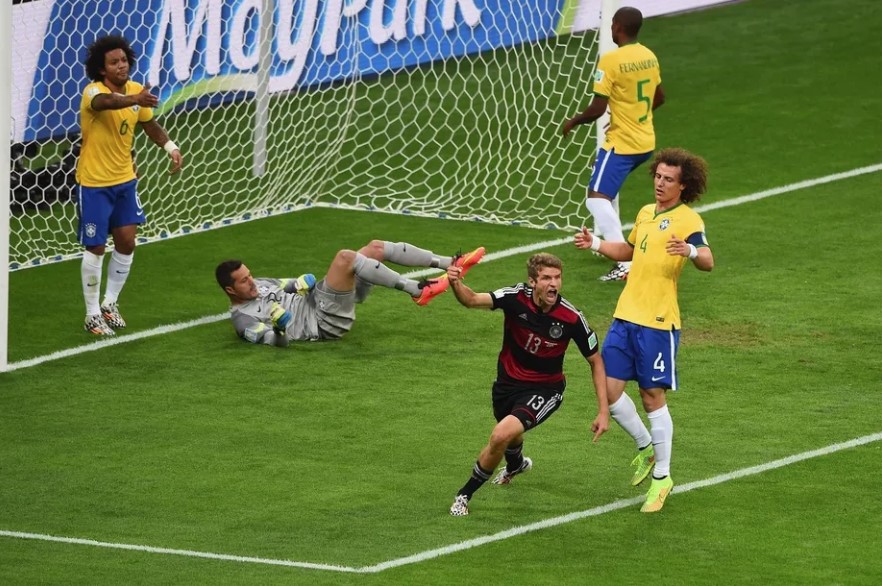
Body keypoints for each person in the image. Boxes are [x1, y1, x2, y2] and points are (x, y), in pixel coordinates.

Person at [574, 147, 714, 513]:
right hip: (625, 316)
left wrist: (689, 252)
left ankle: (662, 477)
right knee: (608, 388)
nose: (660, 183)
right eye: (657, 176)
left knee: (652, 396)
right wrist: (595, 244)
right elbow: (628, 250)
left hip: (657, 323)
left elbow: (709, 261)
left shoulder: (689, 220)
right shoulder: (646, 213)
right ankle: (645, 446)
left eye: (669, 179)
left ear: (683, 186)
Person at [446, 252, 609, 517]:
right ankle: (516, 465)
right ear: (533, 281)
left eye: (557, 277)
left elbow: (596, 362)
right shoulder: (514, 298)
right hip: (507, 385)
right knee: (510, 431)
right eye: (546, 278)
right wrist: (456, 283)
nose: (553, 284)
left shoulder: (571, 318)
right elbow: (472, 299)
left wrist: (604, 411)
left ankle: (464, 495)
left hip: (546, 390)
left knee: (501, 434)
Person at [76, 35, 184, 335]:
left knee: (126, 242)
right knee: (96, 246)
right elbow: (105, 103)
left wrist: (171, 147)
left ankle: (110, 304)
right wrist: (134, 100)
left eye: (124, 60)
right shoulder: (93, 92)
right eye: (114, 62)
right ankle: (91, 313)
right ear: (102, 69)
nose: (121, 66)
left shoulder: (137, 91)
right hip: (94, 184)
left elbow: (148, 123)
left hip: (125, 181)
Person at [562, 6, 665, 282]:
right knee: (607, 191)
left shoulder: (611, 61)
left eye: (612, 24)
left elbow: (597, 108)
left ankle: (624, 263)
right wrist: (633, 117)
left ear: (617, 26)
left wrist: (574, 121)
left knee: (596, 200)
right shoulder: (649, 56)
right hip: (645, 142)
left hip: (623, 144)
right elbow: (659, 97)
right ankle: (610, 244)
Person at [215, 242, 485, 346]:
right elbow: (277, 342)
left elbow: (287, 285)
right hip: (322, 322)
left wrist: (300, 283)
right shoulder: (243, 321)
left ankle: (450, 262)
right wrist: (281, 327)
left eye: (250, 275)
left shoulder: (259, 283)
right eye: (244, 281)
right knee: (346, 257)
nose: (252, 282)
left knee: (374, 248)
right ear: (230, 290)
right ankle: (417, 290)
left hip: (319, 298)